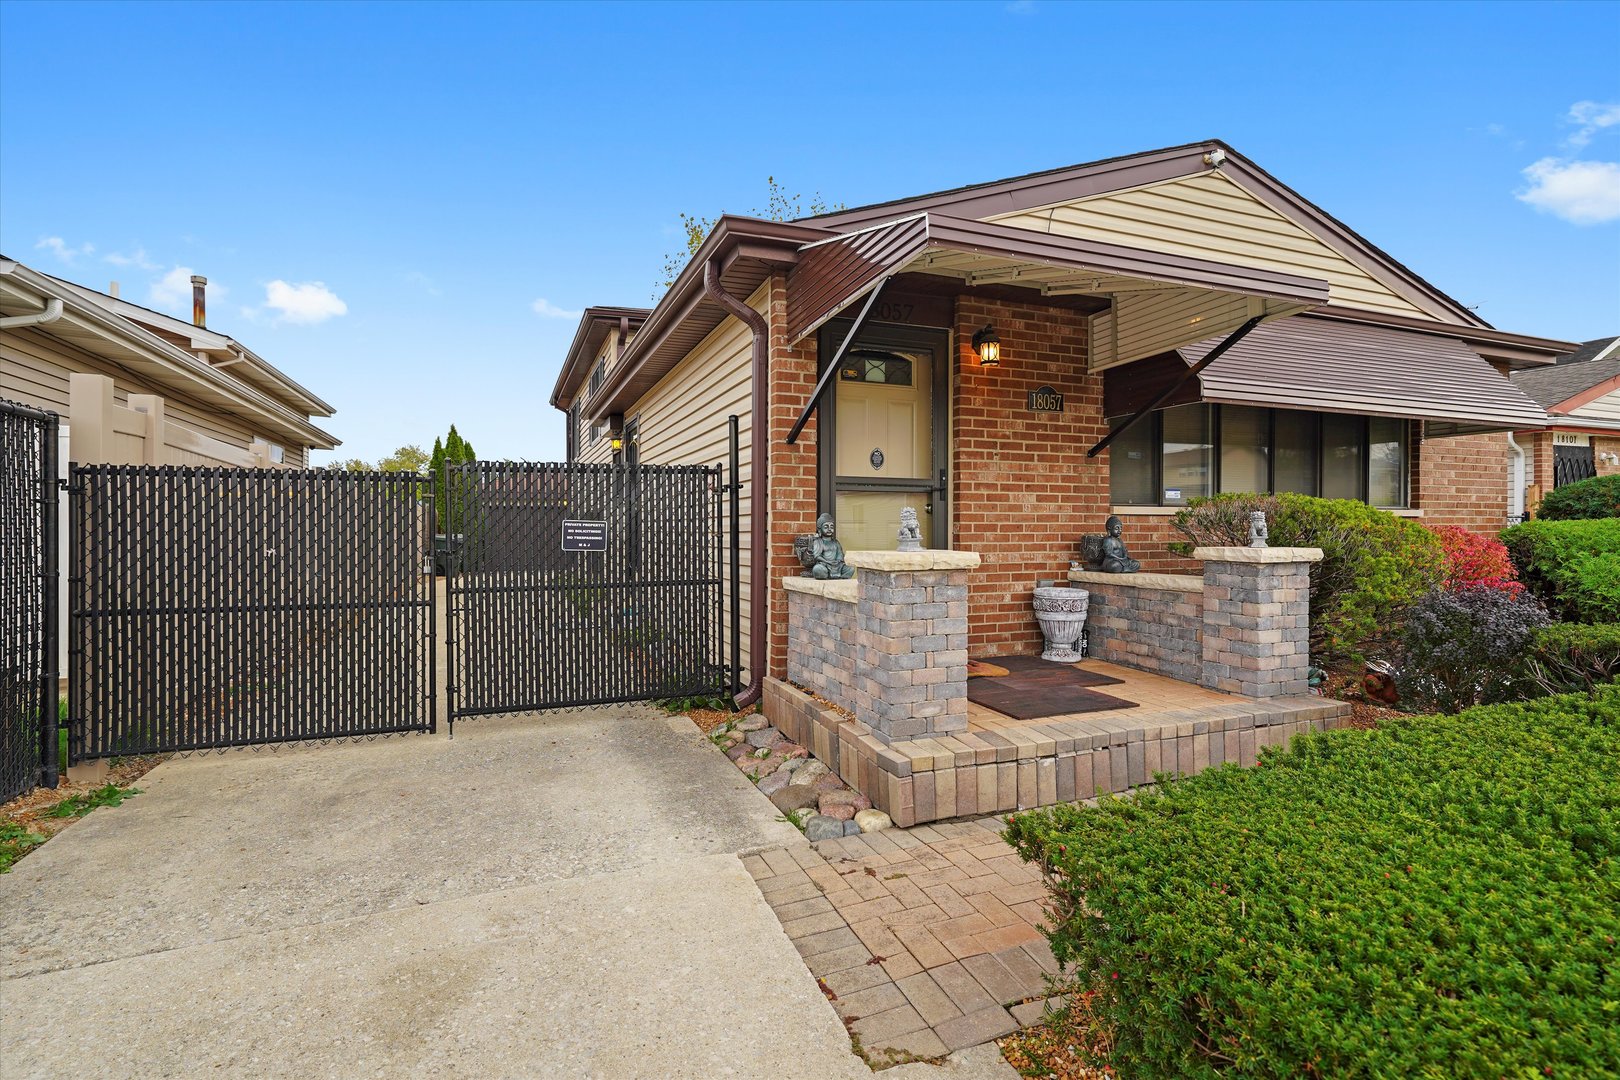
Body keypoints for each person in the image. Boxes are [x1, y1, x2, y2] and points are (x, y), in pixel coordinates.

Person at [807, 514, 854, 580]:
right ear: (820, 530)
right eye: (826, 527)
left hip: (837, 566)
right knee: (817, 569)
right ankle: (826, 575)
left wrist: (837, 561)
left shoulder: (835, 542)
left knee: (850, 568)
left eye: (831, 527)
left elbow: (840, 555)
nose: (829, 529)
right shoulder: (818, 542)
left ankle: (840, 577)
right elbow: (817, 556)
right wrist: (827, 562)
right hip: (824, 565)